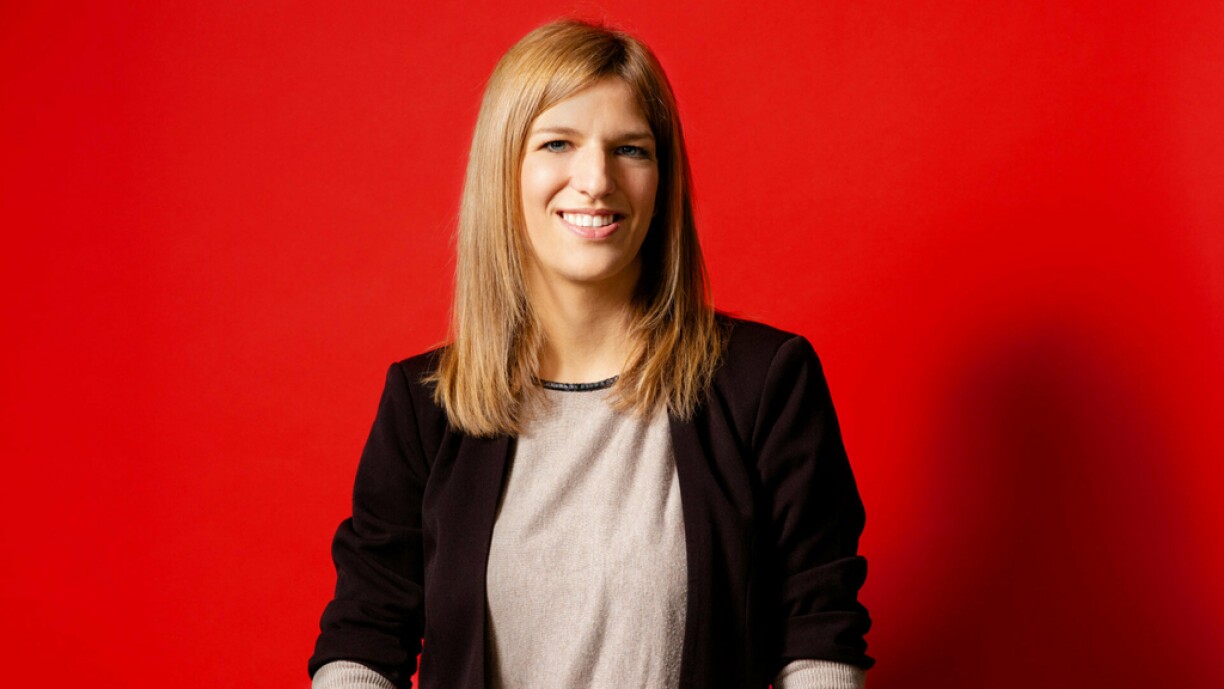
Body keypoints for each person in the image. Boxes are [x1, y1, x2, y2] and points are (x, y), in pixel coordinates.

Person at [308, 18, 873, 689]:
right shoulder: (426, 404)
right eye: (558, 143)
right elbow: (363, 643)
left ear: (662, 180)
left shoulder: (764, 383)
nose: (597, 180)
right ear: (504, 170)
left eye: (631, 149)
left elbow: (818, 638)